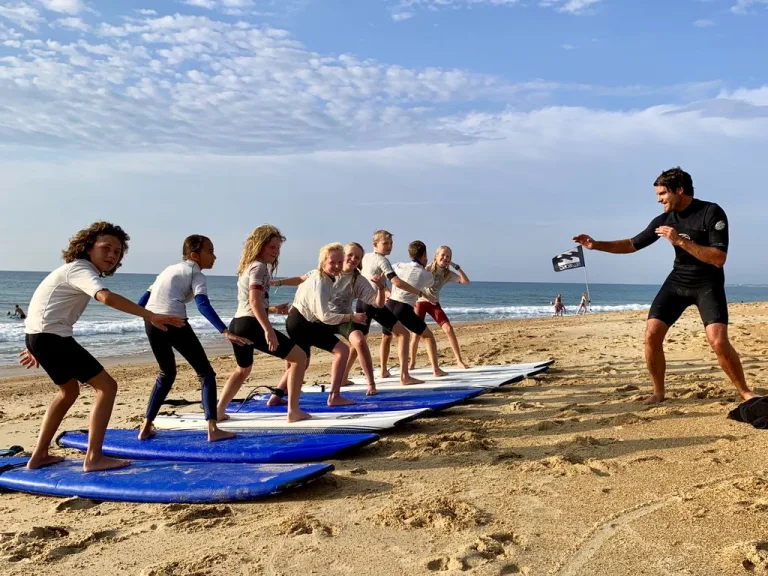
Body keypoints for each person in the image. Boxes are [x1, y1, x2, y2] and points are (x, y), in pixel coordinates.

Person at [573, 166, 757, 405]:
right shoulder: (665, 218)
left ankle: (745, 391)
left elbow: (719, 259)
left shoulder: (711, 212)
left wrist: (679, 240)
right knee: (651, 334)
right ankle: (658, 393)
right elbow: (631, 244)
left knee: (718, 341)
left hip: (707, 283)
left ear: (679, 190)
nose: (659, 199)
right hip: (678, 280)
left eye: (662, 194)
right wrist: (597, 245)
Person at [18, 222, 184, 471]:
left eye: (117, 253)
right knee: (107, 386)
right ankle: (94, 458)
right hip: (51, 337)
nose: (112, 255)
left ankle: (40, 454)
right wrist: (150, 315)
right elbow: (106, 297)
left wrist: (34, 341)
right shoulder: (81, 269)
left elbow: (44, 301)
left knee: (69, 392)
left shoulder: (73, 270)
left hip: (42, 336)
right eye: (106, 248)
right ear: (87, 247)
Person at [137, 235, 251, 442]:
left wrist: (151, 319)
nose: (214, 256)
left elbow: (142, 301)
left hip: (152, 322)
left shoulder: (167, 270)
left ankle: (145, 427)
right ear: (194, 255)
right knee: (206, 374)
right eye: (210, 251)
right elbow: (202, 305)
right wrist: (225, 331)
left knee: (166, 373)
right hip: (175, 321)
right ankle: (213, 429)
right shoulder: (196, 273)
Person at [215, 225, 310, 423]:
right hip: (251, 326)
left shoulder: (248, 267)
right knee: (299, 358)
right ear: (259, 246)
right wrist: (269, 330)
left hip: (238, 324)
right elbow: (254, 302)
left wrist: (274, 309)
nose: (275, 252)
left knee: (243, 370)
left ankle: (219, 410)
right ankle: (293, 411)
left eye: (277, 248)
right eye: (272, 247)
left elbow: (252, 302)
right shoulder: (259, 267)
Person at [275, 242, 386, 396]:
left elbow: (377, 303)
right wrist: (280, 283)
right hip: (320, 318)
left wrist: (381, 288)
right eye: (350, 255)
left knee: (359, 340)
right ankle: (287, 389)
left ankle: (371, 384)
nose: (353, 259)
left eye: (357, 257)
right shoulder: (324, 271)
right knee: (301, 355)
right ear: (342, 255)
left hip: (342, 318)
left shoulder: (358, 280)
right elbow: (301, 281)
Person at [351, 230, 436, 385]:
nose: (389, 246)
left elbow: (366, 273)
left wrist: (384, 290)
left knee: (358, 340)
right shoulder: (383, 261)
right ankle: (405, 376)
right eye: (385, 243)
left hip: (362, 302)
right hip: (374, 303)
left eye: (391, 244)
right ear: (375, 244)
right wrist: (420, 292)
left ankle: (345, 377)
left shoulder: (366, 257)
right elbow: (397, 282)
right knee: (403, 334)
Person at [384, 240, 448, 377]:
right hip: (404, 307)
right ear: (424, 254)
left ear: (409, 254)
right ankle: (436, 370)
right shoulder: (426, 274)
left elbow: (386, 272)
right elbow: (429, 283)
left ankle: (383, 371)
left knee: (386, 337)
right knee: (428, 336)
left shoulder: (399, 265)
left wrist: (386, 290)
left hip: (389, 305)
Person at [409, 245, 470, 370]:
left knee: (448, 329)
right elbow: (412, 283)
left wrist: (455, 266)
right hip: (420, 303)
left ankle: (459, 361)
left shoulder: (447, 274)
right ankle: (412, 362)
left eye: (448, 256)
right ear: (436, 256)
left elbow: (465, 281)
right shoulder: (426, 268)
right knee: (416, 334)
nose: (445, 257)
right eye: (442, 255)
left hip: (434, 304)